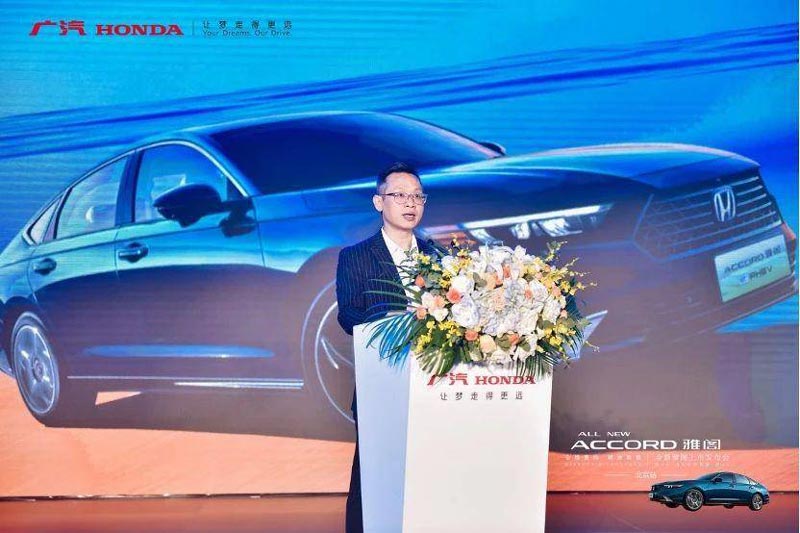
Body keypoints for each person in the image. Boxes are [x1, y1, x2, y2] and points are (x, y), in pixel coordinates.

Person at [335, 162, 436, 533]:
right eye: (400, 195)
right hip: (381, 384)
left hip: (433, 384)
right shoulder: (355, 256)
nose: (410, 203)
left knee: (431, 470)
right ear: (379, 202)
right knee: (373, 476)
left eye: (417, 196)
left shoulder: (439, 256)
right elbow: (348, 315)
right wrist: (392, 316)